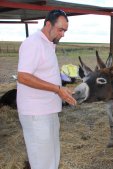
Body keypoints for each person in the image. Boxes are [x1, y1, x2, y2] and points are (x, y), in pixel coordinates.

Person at [17, 9, 76, 169]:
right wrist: (57, 89)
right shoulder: (33, 43)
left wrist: (62, 88)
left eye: (65, 30)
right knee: (42, 161)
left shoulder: (48, 44)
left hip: (48, 110)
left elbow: (43, 73)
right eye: (60, 29)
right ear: (48, 24)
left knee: (51, 157)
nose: (63, 34)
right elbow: (23, 76)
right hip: (36, 113)